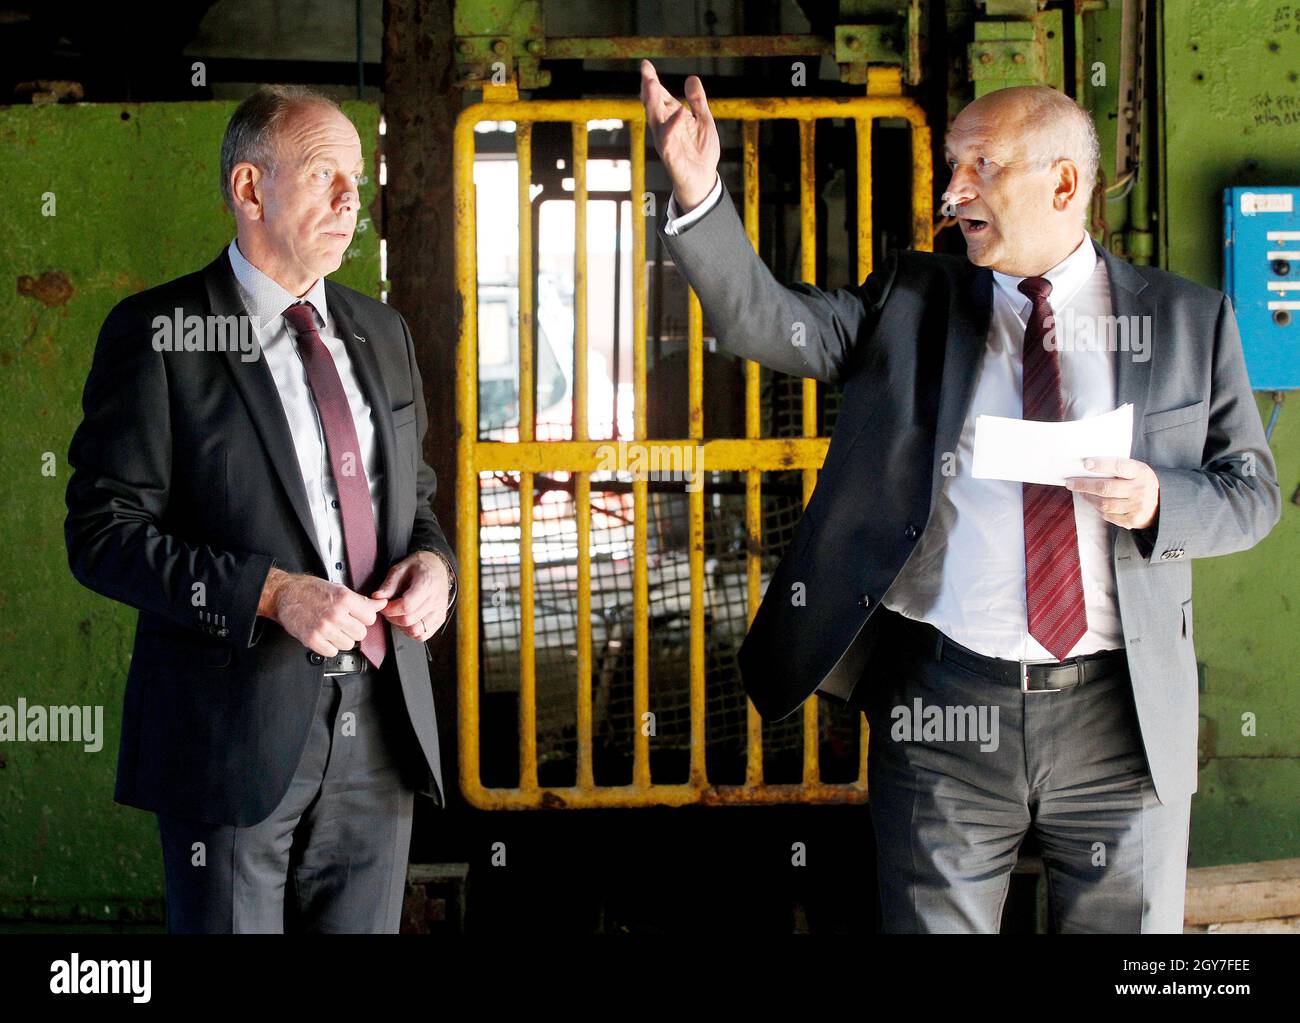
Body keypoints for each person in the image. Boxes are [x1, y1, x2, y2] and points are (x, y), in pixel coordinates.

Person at [640, 60, 1280, 932]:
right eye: (953, 165)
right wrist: (700, 189)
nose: (953, 190)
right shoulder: (912, 302)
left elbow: (1251, 492)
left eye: (982, 166)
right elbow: (763, 319)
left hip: (1121, 722)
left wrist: (1159, 498)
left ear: (1064, 183)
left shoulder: (1186, 319)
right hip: (945, 710)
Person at [64, 85, 458, 933]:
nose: (353, 200)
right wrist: (274, 593)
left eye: (359, 177)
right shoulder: (159, 332)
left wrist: (436, 567)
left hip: (382, 731)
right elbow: (102, 536)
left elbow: (413, 502)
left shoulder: (381, 332)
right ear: (251, 190)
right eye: (326, 177)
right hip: (229, 736)